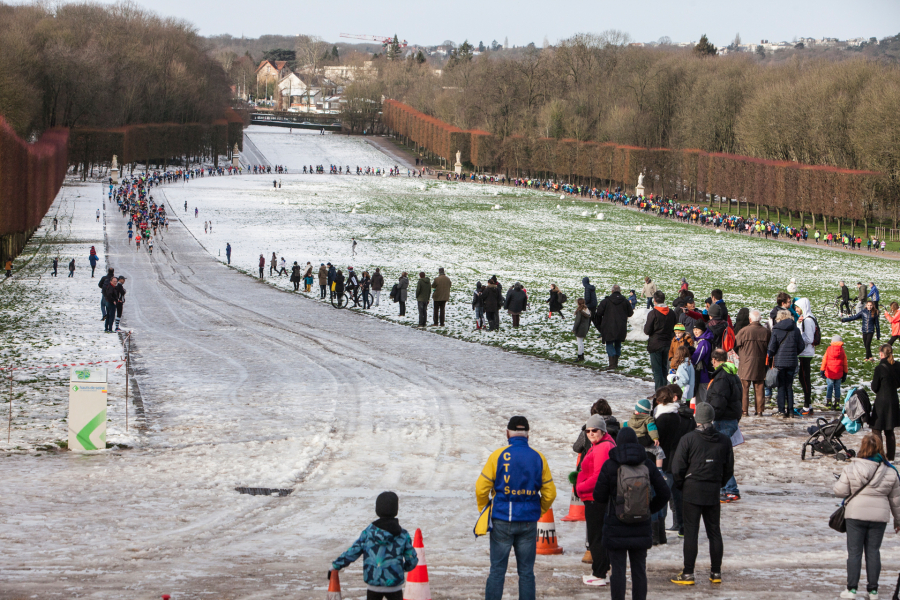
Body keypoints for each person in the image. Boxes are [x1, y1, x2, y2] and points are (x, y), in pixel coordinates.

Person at [476, 416, 557, 600]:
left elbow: (481, 488)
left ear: (507, 433)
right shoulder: (538, 457)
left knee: (497, 571)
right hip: (528, 521)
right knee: (527, 573)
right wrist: (538, 510)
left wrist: (485, 509)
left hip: (502, 519)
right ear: (528, 435)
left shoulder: (497, 456)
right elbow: (550, 493)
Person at [593, 427, 670, 600]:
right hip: (641, 525)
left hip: (616, 526)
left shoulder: (610, 464)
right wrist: (648, 509)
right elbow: (665, 493)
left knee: (618, 571)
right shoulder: (647, 464)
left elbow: (598, 496)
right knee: (639, 571)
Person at [670, 402, 734, 586]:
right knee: (714, 531)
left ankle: (688, 573)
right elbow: (729, 468)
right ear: (712, 418)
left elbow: (677, 467)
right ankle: (716, 572)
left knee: (691, 532)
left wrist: (682, 483)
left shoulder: (688, 439)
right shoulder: (723, 440)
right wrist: (718, 482)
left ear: (697, 419)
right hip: (712, 489)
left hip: (692, 489)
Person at [834, 432, 900, 600]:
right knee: (873, 552)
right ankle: (873, 591)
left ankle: (851, 589)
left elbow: (840, 491)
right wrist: (898, 520)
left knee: (854, 553)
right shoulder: (891, 471)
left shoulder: (850, 468)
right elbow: (896, 500)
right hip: (879, 516)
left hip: (855, 515)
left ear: (862, 448)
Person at [329, 491, 418, 600]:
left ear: (377, 509)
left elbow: (353, 552)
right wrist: (402, 568)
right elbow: (412, 559)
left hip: (373, 585)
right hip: (394, 586)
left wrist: (336, 566)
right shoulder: (402, 534)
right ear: (396, 509)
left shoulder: (368, 533)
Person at [575, 415, 616, 586]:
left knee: (596, 537)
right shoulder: (603, 444)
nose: (591, 433)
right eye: (588, 431)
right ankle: (601, 570)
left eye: (595, 430)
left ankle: (599, 574)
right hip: (597, 497)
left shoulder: (602, 448)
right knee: (599, 536)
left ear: (603, 431)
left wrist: (580, 487)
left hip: (595, 498)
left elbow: (599, 476)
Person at [655, 385, 696, 538]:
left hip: (666, 460)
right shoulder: (686, 417)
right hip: (681, 461)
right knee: (677, 495)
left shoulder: (664, 417)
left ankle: (659, 530)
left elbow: (658, 441)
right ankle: (682, 526)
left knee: (663, 495)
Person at [705, 349, 742, 502]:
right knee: (720, 454)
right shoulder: (731, 373)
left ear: (714, 360)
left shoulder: (721, 377)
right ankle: (723, 488)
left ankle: (731, 489)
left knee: (720, 456)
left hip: (723, 420)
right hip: (730, 418)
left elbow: (719, 402)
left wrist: (708, 418)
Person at [768, 309, 804, 418]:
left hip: (780, 362)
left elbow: (771, 347)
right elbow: (801, 346)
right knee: (789, 386)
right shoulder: (795, 329)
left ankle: (781, 410)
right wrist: (794, 352)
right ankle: (791, 411)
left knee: (781, 386)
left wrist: (772, 355)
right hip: (792, 361)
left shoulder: (776, 329)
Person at [734, 310, 770, 416]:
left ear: (750, 319)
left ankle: (744, 410)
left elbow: (734, 343)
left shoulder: (743, 331)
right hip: (760, 362)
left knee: (744, 387)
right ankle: (759, 411)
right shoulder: (766, 332)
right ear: (760, 319)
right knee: (759, 387)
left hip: (745, 363)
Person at [871, 344, 900, 462]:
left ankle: (880, 455)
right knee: (889, 429)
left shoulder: (880, 368)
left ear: (881, 354)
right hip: (893, 400)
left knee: (877, 429)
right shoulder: (898, 365)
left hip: (881, 401)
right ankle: (891, 456)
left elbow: (874, 387)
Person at [596, 285, 634, 370]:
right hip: (621, 326)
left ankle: (612, 363)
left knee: (609, 343)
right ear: (620, 291)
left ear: (612, 291)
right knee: (618, 343)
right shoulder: (625, 301)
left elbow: (599, 312)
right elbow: (630, 313)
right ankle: (615, 362)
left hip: (608, 326)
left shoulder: (606, 301)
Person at [645, 291, 676, 391]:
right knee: (664, 368)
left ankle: (659, 392)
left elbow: (647, 330)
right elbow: (674, 328)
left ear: (654, 300)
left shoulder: (653, 313)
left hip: (655, 344)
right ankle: (665, 390)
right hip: (667, 343)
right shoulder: (671, 313)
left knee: (657, 370)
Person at [795, 298, 818, 414]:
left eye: (797, 307)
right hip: (805, 352)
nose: (796, 309)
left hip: (806, 352)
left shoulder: (808, 320)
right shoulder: (808, 318)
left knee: (804, 378)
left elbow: (809, 338)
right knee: (803, 378)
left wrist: (798, 338)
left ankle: (807, 406)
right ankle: (807, 404)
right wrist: (799, 324)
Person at [821, 334, 849, 409]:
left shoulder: (829, 349)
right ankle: (837, 404)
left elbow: (824, 360)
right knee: (837, 388)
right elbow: (845, 363)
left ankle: (828, 403)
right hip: (839, 373)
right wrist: (845, 373)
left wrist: (822, 370)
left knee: (829, 387)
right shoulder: (842, 350)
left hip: (830, 373)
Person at [573, 298, 592, 362]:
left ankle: (579, 356)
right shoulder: (587, 310)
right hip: (585, 328)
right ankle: (582, 355)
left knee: (579, 343)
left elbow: (577, 321)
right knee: (581, 342)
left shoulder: (580, 311)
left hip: (580, 328)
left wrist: (574, 329)